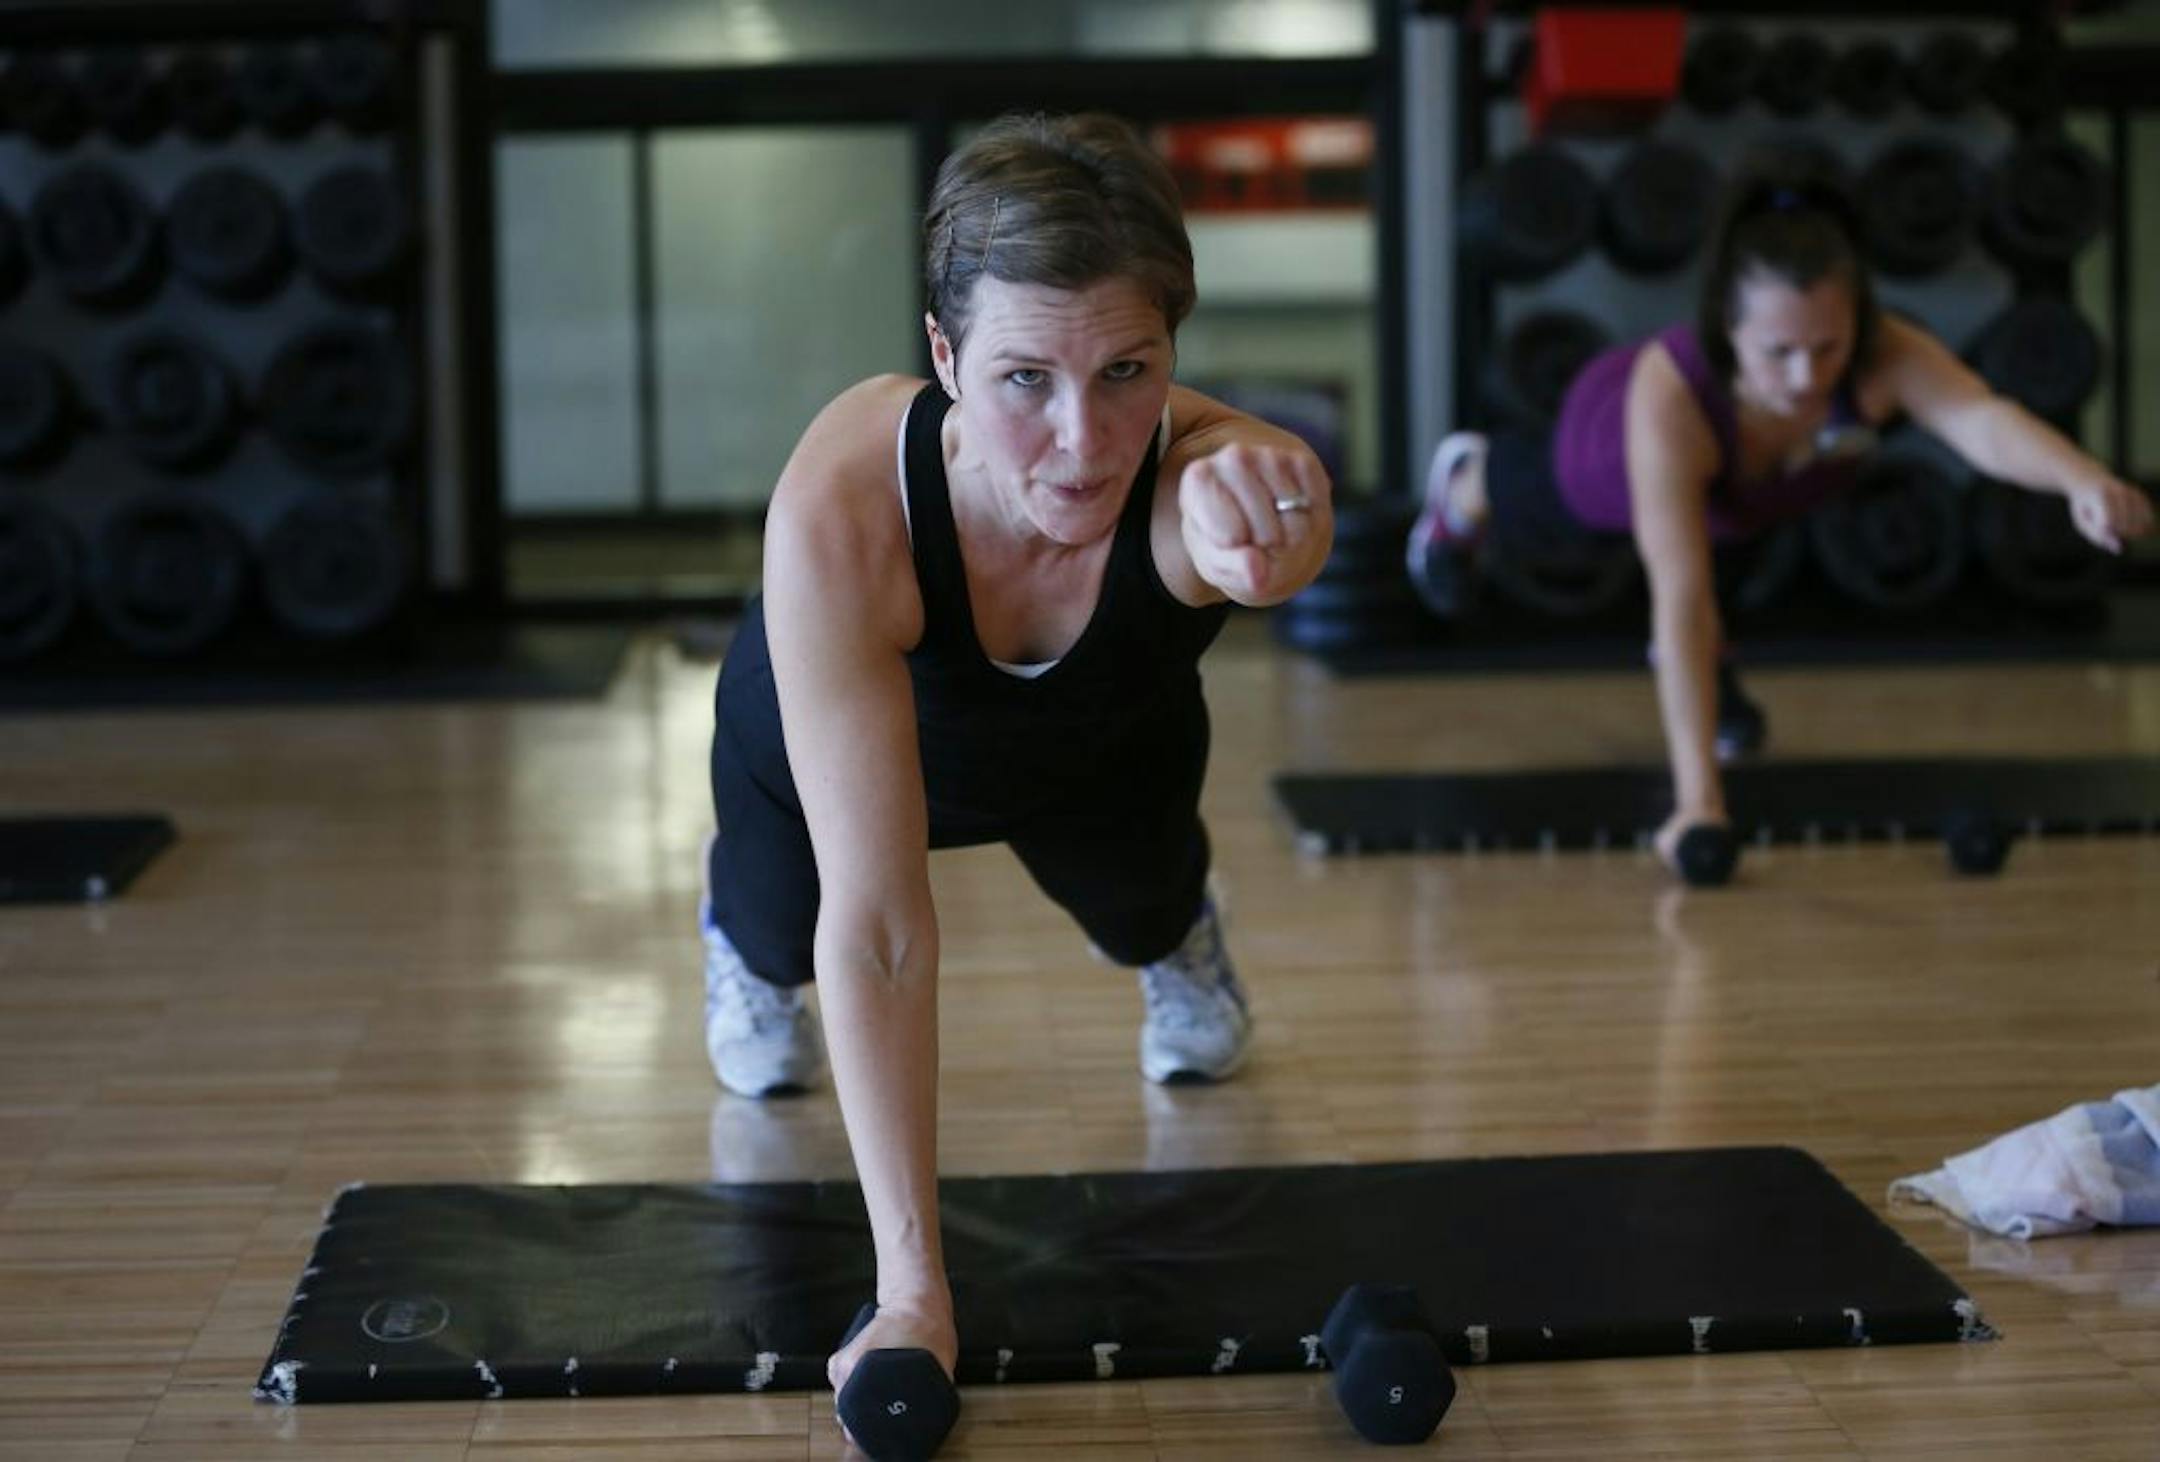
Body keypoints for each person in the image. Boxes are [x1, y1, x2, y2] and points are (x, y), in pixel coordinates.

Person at [694, 112, 1333, 1405]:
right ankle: (742, 952)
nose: (1086, 445)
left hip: (1088, 743)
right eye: (1024, 381)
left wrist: (1282, 524)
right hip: (823, 742)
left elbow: (1270, 531)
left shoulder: (1188, 474)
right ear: (944, 353)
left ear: (1168, 351)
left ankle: (1178, 942)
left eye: (1127, 373)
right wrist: (913, 1289)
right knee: (785, 943)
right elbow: (882, 931)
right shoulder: (843, 510)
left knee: (1149, 901)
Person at [1407, 164, 2153, 877]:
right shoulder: (1672, 401)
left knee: (1732, 548)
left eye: (1827, 347)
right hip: (1609, 452)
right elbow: (1678, 602)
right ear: (1728, 330)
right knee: (1570, 514)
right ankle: (1463, 489)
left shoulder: (1883, 350)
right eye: (1780, 352)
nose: (1806, 377)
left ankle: (1716, 681)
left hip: (1756, 489)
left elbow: (1981, 420)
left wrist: (2080, 478)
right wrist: (1698, 803)